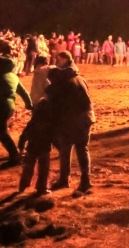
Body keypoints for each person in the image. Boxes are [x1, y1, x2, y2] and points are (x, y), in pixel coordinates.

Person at [46, 51, 95, 196]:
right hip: (86, 118)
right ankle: (85, 180)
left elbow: (56, 104)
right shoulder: (79, 78)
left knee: (65, 149)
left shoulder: (62, 83)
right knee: (82, 148)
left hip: (70, 120)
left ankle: (64, 179)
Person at [18, 98, 54, 196]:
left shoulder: (32, 123)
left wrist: (21, 146)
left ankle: (23, 185)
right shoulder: (50, 123)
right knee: (43, 169)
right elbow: (53, 136)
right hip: (45, 148)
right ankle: (41, 188)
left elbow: (24, 135)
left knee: (28, 167)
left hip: (32, 147)